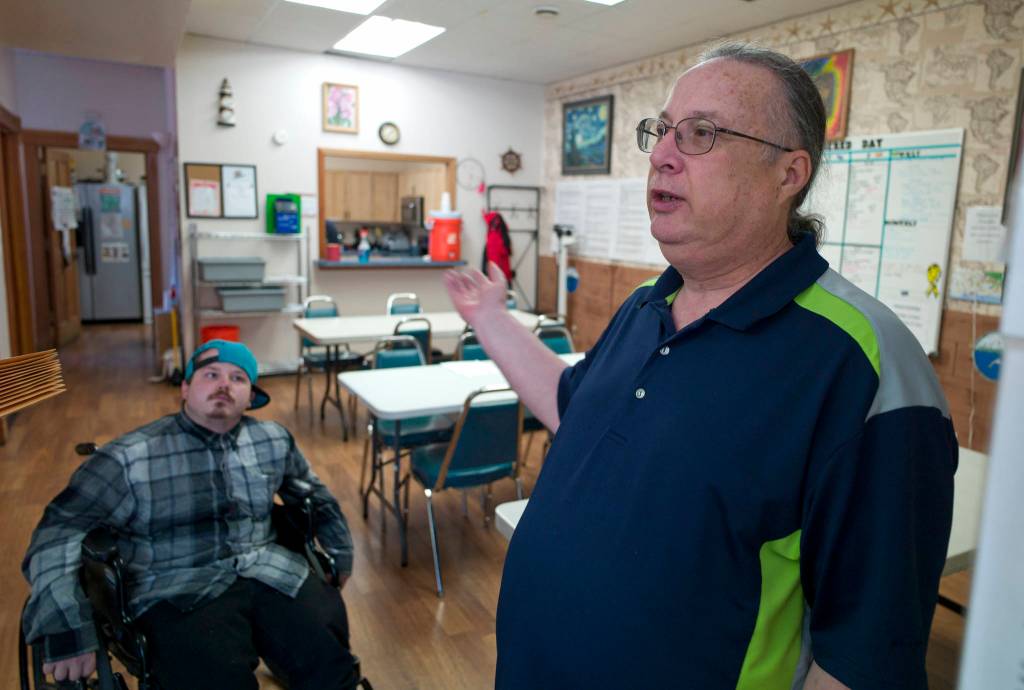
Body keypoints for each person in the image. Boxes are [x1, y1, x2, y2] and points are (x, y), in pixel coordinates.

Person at [444, 43, 957, 690]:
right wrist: (491, 318)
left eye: (702, 133)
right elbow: (573, 410)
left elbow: (865, 655)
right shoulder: (647, 305)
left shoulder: (863, 363)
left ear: (788, 172)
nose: (662, 153)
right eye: (662, 130)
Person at [22, 340, 360, 690]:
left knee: (331, 667)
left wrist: (340, 554)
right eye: (211, 374)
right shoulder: (128, 458)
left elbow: (315, 496)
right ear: (185, 388)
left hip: (268, 570)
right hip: (175, 587)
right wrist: (65, 626)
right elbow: (57, 532)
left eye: (238, 378)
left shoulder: (272, 440)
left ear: (251, 398)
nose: (224, 385)